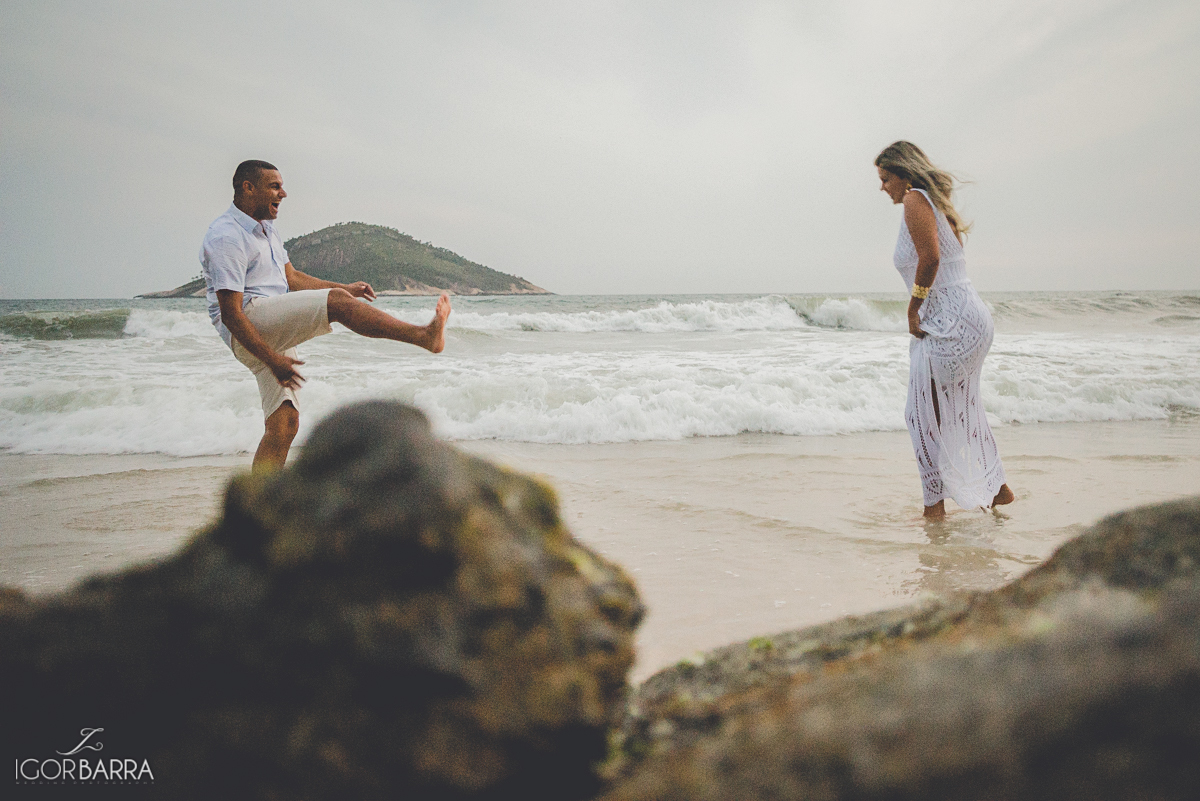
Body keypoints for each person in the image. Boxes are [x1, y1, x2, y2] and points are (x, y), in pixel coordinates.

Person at [200, 159, 451, 471]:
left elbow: (292, 278)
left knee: (285, 423)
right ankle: (423, 336)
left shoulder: (267, 231)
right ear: (248, 188)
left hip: (268, 324)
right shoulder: (226, 236)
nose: (284, 193)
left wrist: (344, 287)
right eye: (275, 186)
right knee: (336, 303)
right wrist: (271, 358)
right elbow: (231, 315)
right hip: (249, 324)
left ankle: (261, 503)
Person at [875, 141, 1014, 518]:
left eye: (886, 178)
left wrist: (913, 307)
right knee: (960, 409)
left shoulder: (915, 200)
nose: (882, 187)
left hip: (950, 322)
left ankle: (933, 508)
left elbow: (931, 258)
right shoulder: (932, 202)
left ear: (903, 175)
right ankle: (997, 488)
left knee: (920, 415)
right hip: (967, 318)